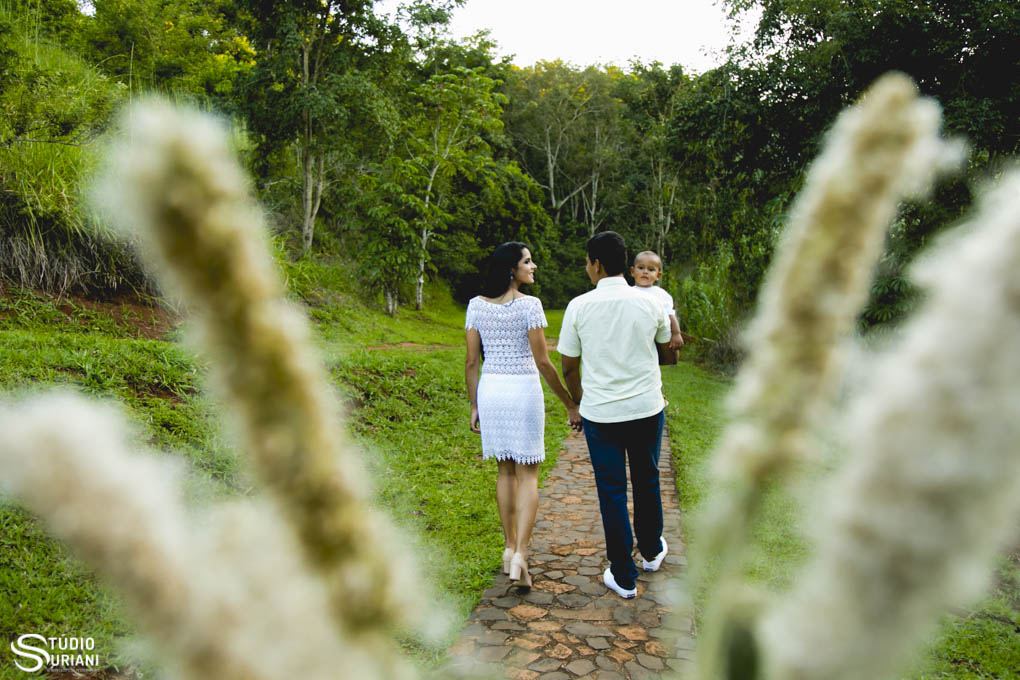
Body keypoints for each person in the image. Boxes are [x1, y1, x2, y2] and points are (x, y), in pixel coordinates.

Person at [557, 231, 672, 599]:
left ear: (597, 263)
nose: (587, 268)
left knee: (612, 491)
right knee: (647, 478)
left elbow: (569, 367)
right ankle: (652, 551)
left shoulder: (579, 307)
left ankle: (623, 575)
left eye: (587, 262)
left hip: (602, 415)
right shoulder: (651, 303)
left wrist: (576, 402)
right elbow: (668, 352)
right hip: (645, 408)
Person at [464, 242, 580, 587]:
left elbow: (472, 361)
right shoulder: (530, 306)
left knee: (505, 472)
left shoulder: (475, 306)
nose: (534, 266)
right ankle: (522, 555)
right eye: (528, 262)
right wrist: (570, 402)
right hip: (522, 390)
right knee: (528, 475)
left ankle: (508, 547)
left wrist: (474, 405)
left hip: (492, 391)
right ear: (511, 269)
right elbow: (543, 361)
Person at [631, 250, 685, 358]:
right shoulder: (628, 292)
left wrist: (676, 334)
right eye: (641, 268)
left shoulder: (660, 294)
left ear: (658, 275)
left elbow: (670, 315)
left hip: (656, 333)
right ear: (632, 271)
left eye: (651, 269)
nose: (645, 272)